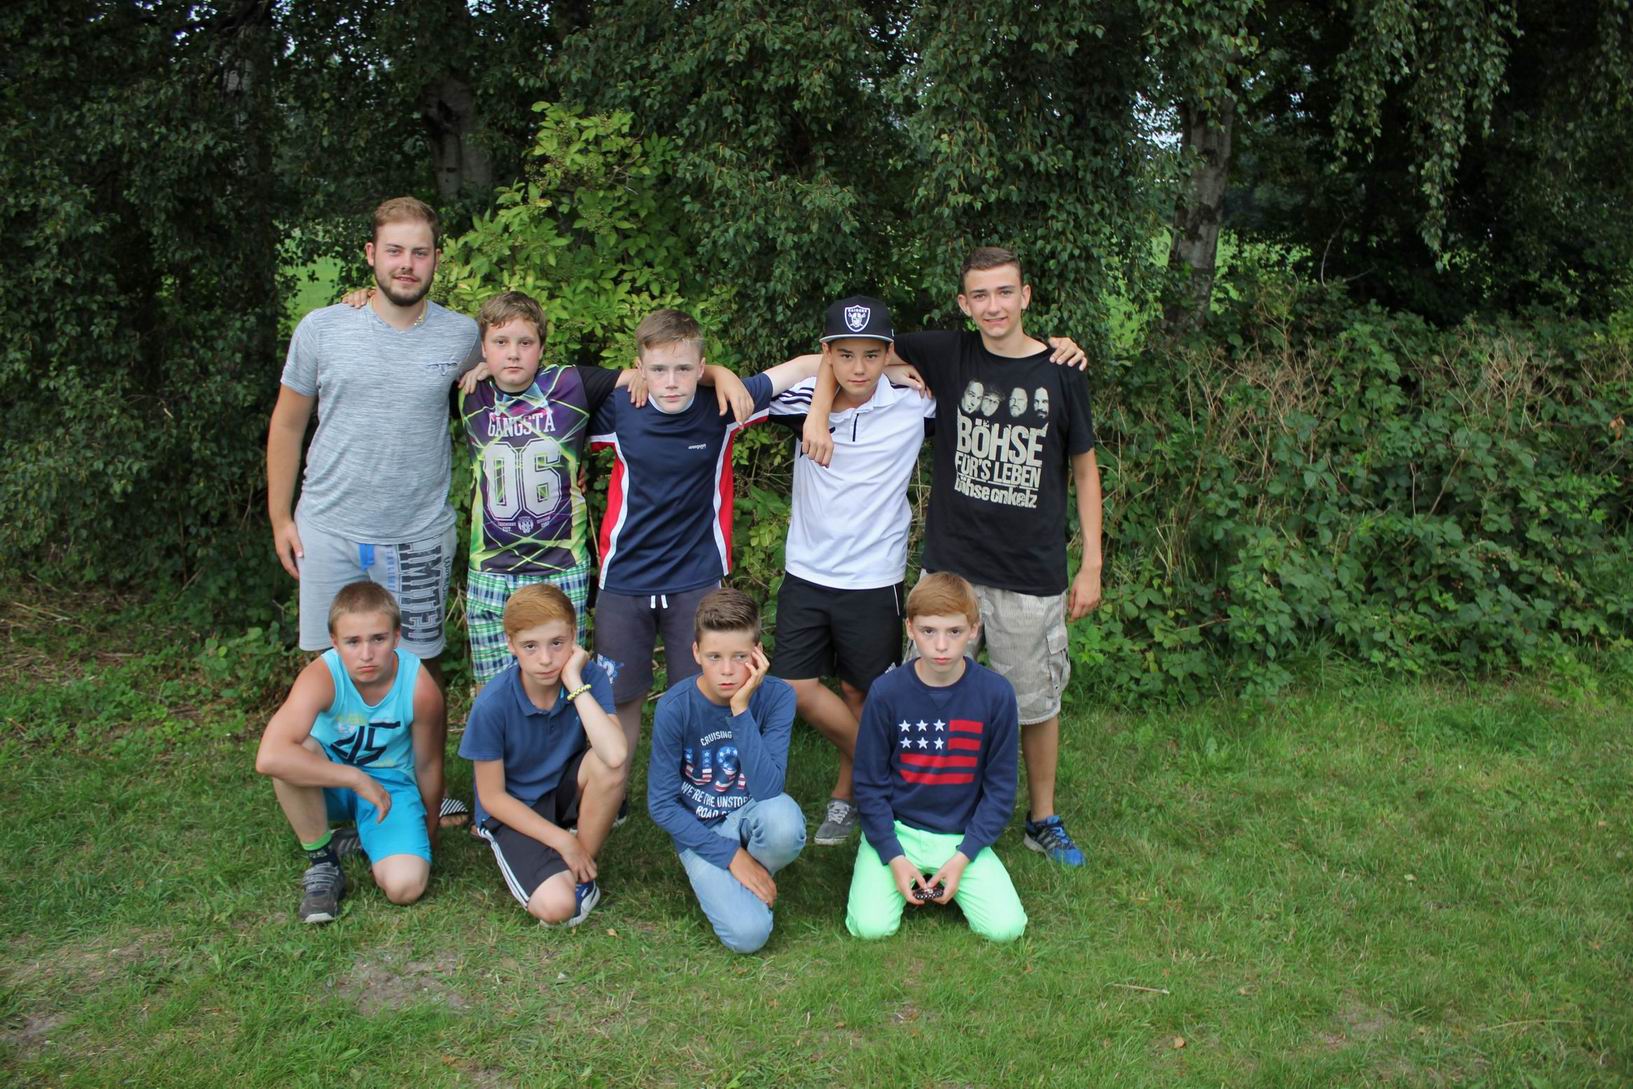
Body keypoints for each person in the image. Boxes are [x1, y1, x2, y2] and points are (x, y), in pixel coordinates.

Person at [805, 247, 1102, 867]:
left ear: (1025, 295)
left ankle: (1042, 818)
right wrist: (817, 410)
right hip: (951, 567)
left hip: (1030, 570)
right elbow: (844, 354)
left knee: (1033, 702)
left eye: (1005, 292)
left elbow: (1083, 468)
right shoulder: (948, 353)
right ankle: (917, 810)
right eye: (980, 295)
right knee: (926, 695)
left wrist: (1092, 563)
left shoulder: (1061, 371)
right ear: (964, 304)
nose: (993, 306)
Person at [266, 195, 477, 825]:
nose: (406, 264)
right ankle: (337, 784)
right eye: (394, 251)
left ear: (436, 259)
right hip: (329, 526)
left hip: (418, 531)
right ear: (371, 255)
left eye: (419, 252)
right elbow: (287, 425)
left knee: (421, 668)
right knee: (332, 666)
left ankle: (421, 792)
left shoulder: (463, 336)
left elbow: (515, 377)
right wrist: (281, 517)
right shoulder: (323, 328)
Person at [587, 309, 813, 761]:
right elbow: (551, 393)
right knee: (618, 700)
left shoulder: (721, 405)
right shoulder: (620, 410)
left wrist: (888, 365)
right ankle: (615, 791)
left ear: (701, 366)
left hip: (695, 578)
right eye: (658, 370)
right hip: (624, 578)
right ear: (639, 368)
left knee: (699, 695)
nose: (671, 382)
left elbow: (811, 365)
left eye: (684, 369)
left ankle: (694, 788)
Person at [764, 296, 935, 846]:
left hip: (873, 578)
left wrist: (893, 369)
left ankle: (846, 798)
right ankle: (881, 772)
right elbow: (744, 389)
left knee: (862, 693)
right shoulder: (799, 402)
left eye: (872, 355)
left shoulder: (916, 401)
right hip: (807, 572)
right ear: (827, 354)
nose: (858, 368)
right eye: (844, 355)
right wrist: (818, 405)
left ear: (889, 352)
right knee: (793, 687)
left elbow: (986, 367)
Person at [845, 573, 1026, 942]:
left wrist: (964, 856)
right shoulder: (886, 693)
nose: (941, 645)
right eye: (928, 631)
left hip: (961, 836)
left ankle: (954, 873)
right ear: (910, 628)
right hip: (898, 831)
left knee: (1006, 929)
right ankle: (892, 867)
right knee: (870, 928)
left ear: (973, 630)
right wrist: (893, 855)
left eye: (954, 632)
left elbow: (1001, 788)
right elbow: (869, 784)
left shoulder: (996, 694)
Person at [255, 581, 443, 924]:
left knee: (405, 887)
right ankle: (323, 863)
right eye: (353, 642)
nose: (366, 654)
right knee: (295, 752)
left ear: (397, 637)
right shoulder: (322, 675)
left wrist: (430, 830)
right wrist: (354, 778)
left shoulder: (419, 687)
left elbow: (429, 765)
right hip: (328, 780)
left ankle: (361, 838)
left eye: (378, 639)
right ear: (334, 642)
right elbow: (269, 757)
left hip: (389, 788)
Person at [647, 588, 805, 953]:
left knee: (783, 822)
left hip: (752, 814)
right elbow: (661, 805)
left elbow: (768, 790)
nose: (728, 670)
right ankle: (739, 873)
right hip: (699, 828)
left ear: (758, 654)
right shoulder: (675, 707)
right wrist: (730, 856)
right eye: (714, 657)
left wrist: (740, 708)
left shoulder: (778, 697)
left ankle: (753, 871)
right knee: (748, 937)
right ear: (696, 653)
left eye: (740, 657)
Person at [459, 584, 628, 926]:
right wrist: (561, 841)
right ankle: (567, 851)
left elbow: (614, 755)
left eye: (557, 643)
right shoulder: (493, 704)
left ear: (574, 636)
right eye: (530, 646)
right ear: (511, 644)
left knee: (609, 767)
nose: (546, 659)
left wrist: (574, 681)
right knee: (556, 909)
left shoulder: (587, 676)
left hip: (561, 793)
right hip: (513, 809)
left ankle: (582, 869)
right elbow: (492, 798)